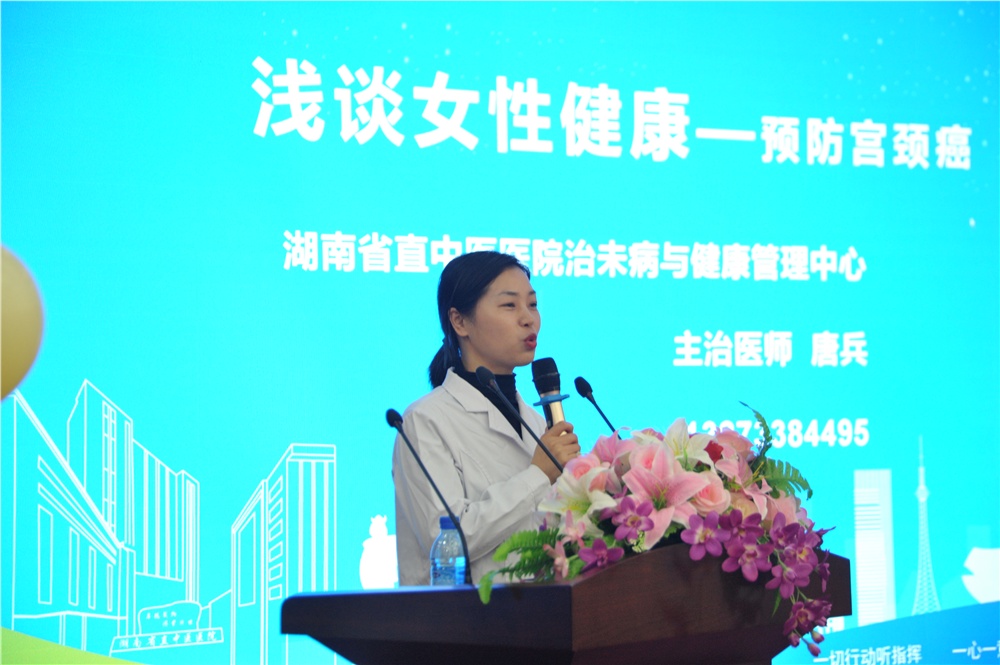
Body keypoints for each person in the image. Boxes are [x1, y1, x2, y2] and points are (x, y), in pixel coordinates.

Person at [392, 251, 581, 586]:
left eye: (533, 304)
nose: (529, 319)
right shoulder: (425, 421)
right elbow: (446, 541)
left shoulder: (537, 425)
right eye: (509, 305)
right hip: (461, 616)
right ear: (459, 321)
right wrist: (538, 475)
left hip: (542, 612)